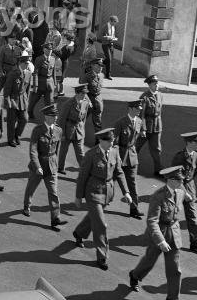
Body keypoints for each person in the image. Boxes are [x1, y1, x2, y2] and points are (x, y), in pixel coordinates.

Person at [129, 166, 192, 299]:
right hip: (159, 234)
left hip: (174, 234)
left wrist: (188, 196)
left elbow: (184, 200)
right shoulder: (158, 196)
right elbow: (152, 221)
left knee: (175, 269)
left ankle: (173, 298)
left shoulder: (180, 192)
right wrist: (161, 241)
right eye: (180, 180)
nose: (182, 183)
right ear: (171, 180)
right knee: (149, 261)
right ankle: (135, 275)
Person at [73, 127, 132, 270]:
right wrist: (78, 196)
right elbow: (82, 177)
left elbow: (119, 172)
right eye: (109, 140)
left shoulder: (114, 151)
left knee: (93, 217)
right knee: (101, 225)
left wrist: (126, 192)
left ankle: (79, 232)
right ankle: (102, 256)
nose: (112, 143)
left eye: (113, 140)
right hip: (93, 192)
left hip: (107, 192)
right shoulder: (91, 154)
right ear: (101, 140)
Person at [22, 104, 65, 230]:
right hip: (39, 165)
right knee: (31, 187)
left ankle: (55, 218)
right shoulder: (38, 130)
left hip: (51, 166)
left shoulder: (58, 130)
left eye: (56, 115)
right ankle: (26, 206)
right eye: (53, 116)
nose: (56, 118)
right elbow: (33, 150)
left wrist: (56, 165)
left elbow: (57, 150)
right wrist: (37, 166)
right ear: (46, 116)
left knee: (53, 193)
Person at [171, 131, 197, 254]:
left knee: (192, 215)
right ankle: (163, 237)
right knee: (171, 214)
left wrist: (190, 182)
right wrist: (184, 191)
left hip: (190, 187)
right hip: (177, 187)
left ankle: (195, 242)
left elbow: (196, 169)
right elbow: (175, 176)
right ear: (189, 143)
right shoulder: (179, 157)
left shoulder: (196, 155)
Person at [114, 100, 144, 219]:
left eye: (140, 109)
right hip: (120, 155)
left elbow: (135, 140)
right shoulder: (120, 122)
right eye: (137, 109)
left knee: (132, 183)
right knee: (109, 180)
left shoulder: (139, 122)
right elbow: (115, 143)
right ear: (131, 109)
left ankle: (134, 208)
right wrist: (116, 158)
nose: (139, 110)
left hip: (131, 156)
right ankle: (98, 199)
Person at [56, 84, 91, 176]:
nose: (85, 95)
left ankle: (84, 171)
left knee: (80, 152)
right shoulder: (68, 103)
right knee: (64, 150)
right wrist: (62, 134)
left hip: (78, 130)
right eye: (83, 93)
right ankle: (60, 167)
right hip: (67, 129)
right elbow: (61, 119)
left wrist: (82, 128)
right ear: (78, 93)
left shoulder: (85, 102)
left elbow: (84, 118)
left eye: (86, 93)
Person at [2, 51, 32, 146]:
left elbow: (27, 88)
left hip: (23, 99)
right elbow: (7, 89)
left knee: (24, 119)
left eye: (28, 63)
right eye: (26, 63)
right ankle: (11, 139)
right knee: (11, 121)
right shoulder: (13, 73)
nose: (28, 65)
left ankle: (16, 134)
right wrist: (7, 101)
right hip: (13, 99)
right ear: (21, 63)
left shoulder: (28, 73)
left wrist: (27, 101)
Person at [136, 74, 163, 176]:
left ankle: (158, 170)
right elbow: (141, 115)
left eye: (157, 83)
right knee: (136, 147)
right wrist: (142, 129)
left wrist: (159, 125)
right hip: (146, 127)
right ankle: (127, 165)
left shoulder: (160, 95)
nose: (157, 85)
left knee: (157, 149)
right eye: (154, 84)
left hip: (156, 127)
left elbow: (159, 111)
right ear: (149, 85)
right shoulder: (144, 97)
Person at [27, 42, 56, 120]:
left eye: (51, 49)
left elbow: (54, 72)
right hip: (40, 82)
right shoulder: (39, 59)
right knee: (34, 100)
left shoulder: (53, 58)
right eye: (48, 49)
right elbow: (35, 72)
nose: (50, 51)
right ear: (44, 50)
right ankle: (29, 113)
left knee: (49, 101)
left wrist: (55, 84)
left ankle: (49, 117)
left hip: (50, 82)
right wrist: (35, 85)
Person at [101, 15, 118, 79]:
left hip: (111, 44)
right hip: (105, 44)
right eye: (115, 21)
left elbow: (113, 35)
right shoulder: (105, 26)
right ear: (111, 21)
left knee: (109, 60)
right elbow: (100, 36)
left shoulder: (113, 27)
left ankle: (99, 62)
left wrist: (113, 38)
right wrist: (107, 37)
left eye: (116, 22)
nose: (115, 23)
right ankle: (108, 75)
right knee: (109, 59)